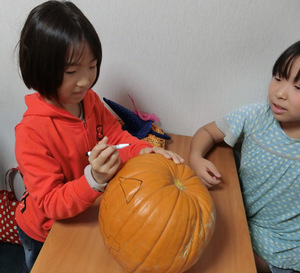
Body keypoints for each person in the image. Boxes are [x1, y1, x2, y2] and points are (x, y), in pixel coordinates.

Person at [15, 1, 184, 272]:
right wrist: (94, 179)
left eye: (91, 66)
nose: (85, 81)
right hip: (46, 230)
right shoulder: (31, 134)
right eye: (71, 72)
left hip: (86, 210)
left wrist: (143, 151)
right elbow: (49, 203)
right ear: (39, 68)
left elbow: (116, 137)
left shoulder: (89, 100)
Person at [190, 41, 300, 273]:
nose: (279, 93)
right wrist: (196, 158)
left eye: (298, 88)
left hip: (282, 250)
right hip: (238, 216)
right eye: (278, 78)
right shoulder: (256, 115)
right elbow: (207, 132)